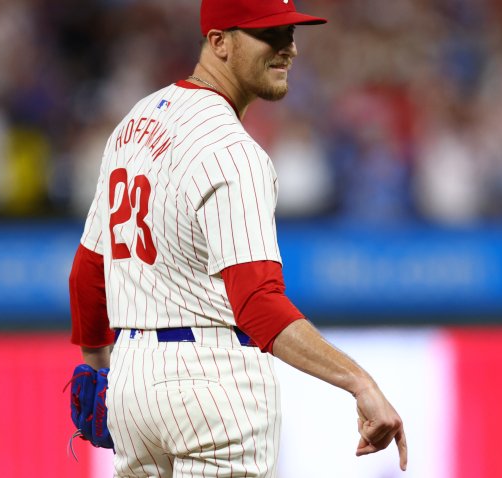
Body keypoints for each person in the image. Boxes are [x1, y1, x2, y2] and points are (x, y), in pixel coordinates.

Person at [67, 0, 408, 475]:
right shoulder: (233, 151)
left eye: (289, 34)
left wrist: (99, 367)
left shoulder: (134, 124)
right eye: (268, 36)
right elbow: (259, 304)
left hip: (132, 384)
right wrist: (359, 382)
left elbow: (88, 271)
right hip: (214, 383)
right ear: (218, 42)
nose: (287, 49)